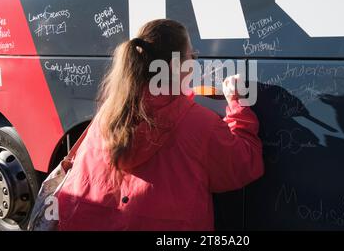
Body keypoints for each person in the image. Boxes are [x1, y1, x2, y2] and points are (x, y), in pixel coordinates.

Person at [57, 19, 264, 230]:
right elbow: (244, 164)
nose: (194, 60)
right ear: (178, 65)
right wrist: (238, 103)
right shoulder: (200, 123)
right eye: (192, 56)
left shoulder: (110, 110)